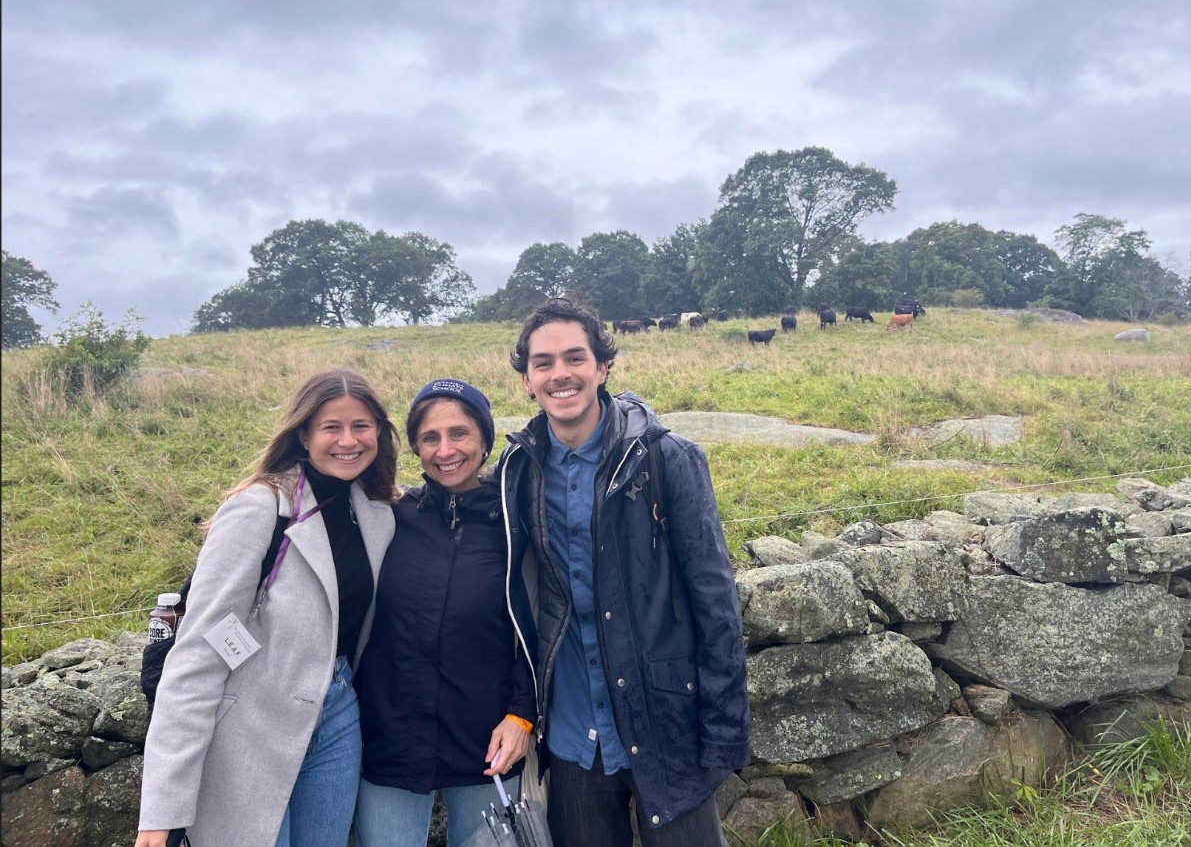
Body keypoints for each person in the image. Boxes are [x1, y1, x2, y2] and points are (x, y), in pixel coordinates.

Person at [497, 295, 751, 847]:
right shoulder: (518, 471)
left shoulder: (666, 458)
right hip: (572, 736)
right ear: (526, 380)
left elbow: (715, 600)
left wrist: (724, 733)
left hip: (665, 721)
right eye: (542, 363)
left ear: (602, 367)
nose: (559, 374)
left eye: (574, 358)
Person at [135, 368, 400, 847]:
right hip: (251, 719)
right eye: (330, 427)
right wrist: (161, 809)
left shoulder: (377, 512)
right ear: (302, 433)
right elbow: (197, 655)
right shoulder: (260, 508)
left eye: (361, 426)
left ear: (380, 432)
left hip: (339, 714)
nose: (348, 441)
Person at [354, 378, 538, 847]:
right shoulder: (390, 515)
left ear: (485, 439)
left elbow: (540, 623)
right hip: (390, 735)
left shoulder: (517, 522)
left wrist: (522, 715)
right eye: (430, 438)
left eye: (459, 433)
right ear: (415, 448)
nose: (445, 450)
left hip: (488, 738)